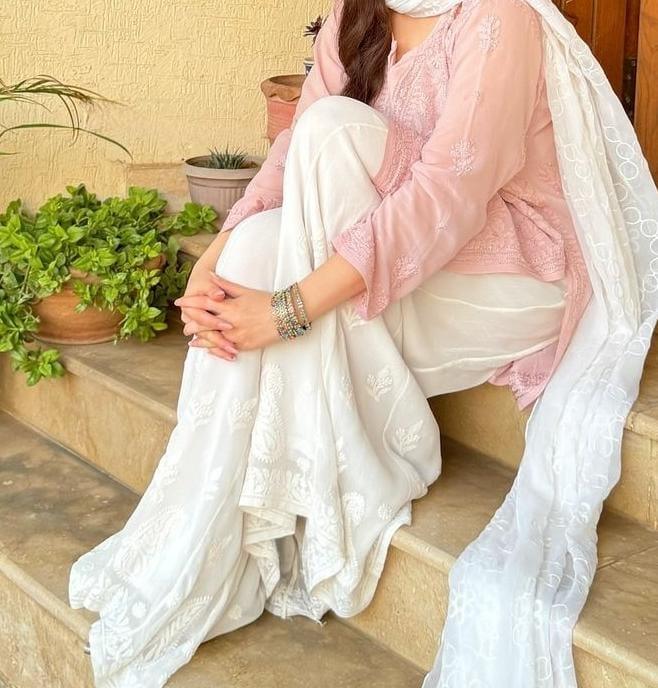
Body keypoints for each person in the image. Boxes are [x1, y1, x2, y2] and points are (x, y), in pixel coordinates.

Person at [68, 0, 658, 686]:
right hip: (401, 261)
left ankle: (363, 460)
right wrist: (216, 259)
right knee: (258, 242)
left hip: (515, 273)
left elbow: (449, 191)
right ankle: (207, 532)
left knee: (333, 130)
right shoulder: (358, 10)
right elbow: (288, 152)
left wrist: (287, 312)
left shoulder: (500, 15)